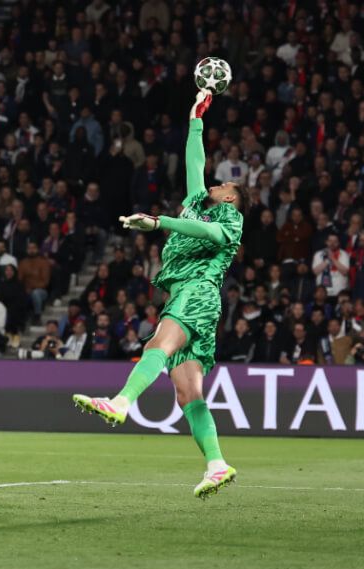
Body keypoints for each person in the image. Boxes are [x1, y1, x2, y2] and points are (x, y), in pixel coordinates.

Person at [73, 91, 243, 499]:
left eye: (225, 185)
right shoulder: (196, 204)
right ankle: (217, 464)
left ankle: (122, 401)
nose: (217, 185)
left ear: (233, 199)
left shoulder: (231, 219)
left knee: (158, 344)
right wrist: (196, 118)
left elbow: (206, 233)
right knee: (188, 392)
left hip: (198, 292)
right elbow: (194, 159)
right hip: (189, 297)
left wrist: (159, 222)